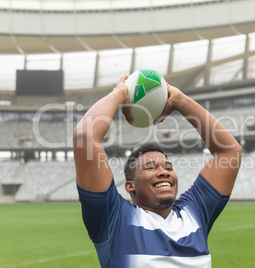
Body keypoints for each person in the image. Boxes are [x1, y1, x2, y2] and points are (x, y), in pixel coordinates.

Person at [73, 75, 243, 267]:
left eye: (168, 167)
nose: (164, 172)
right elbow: (84, 136)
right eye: (150, 167)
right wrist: (121, 93)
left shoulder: (194, 213)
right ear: (130, 186)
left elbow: (230, 151)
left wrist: (179, 100)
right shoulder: (114, 218)